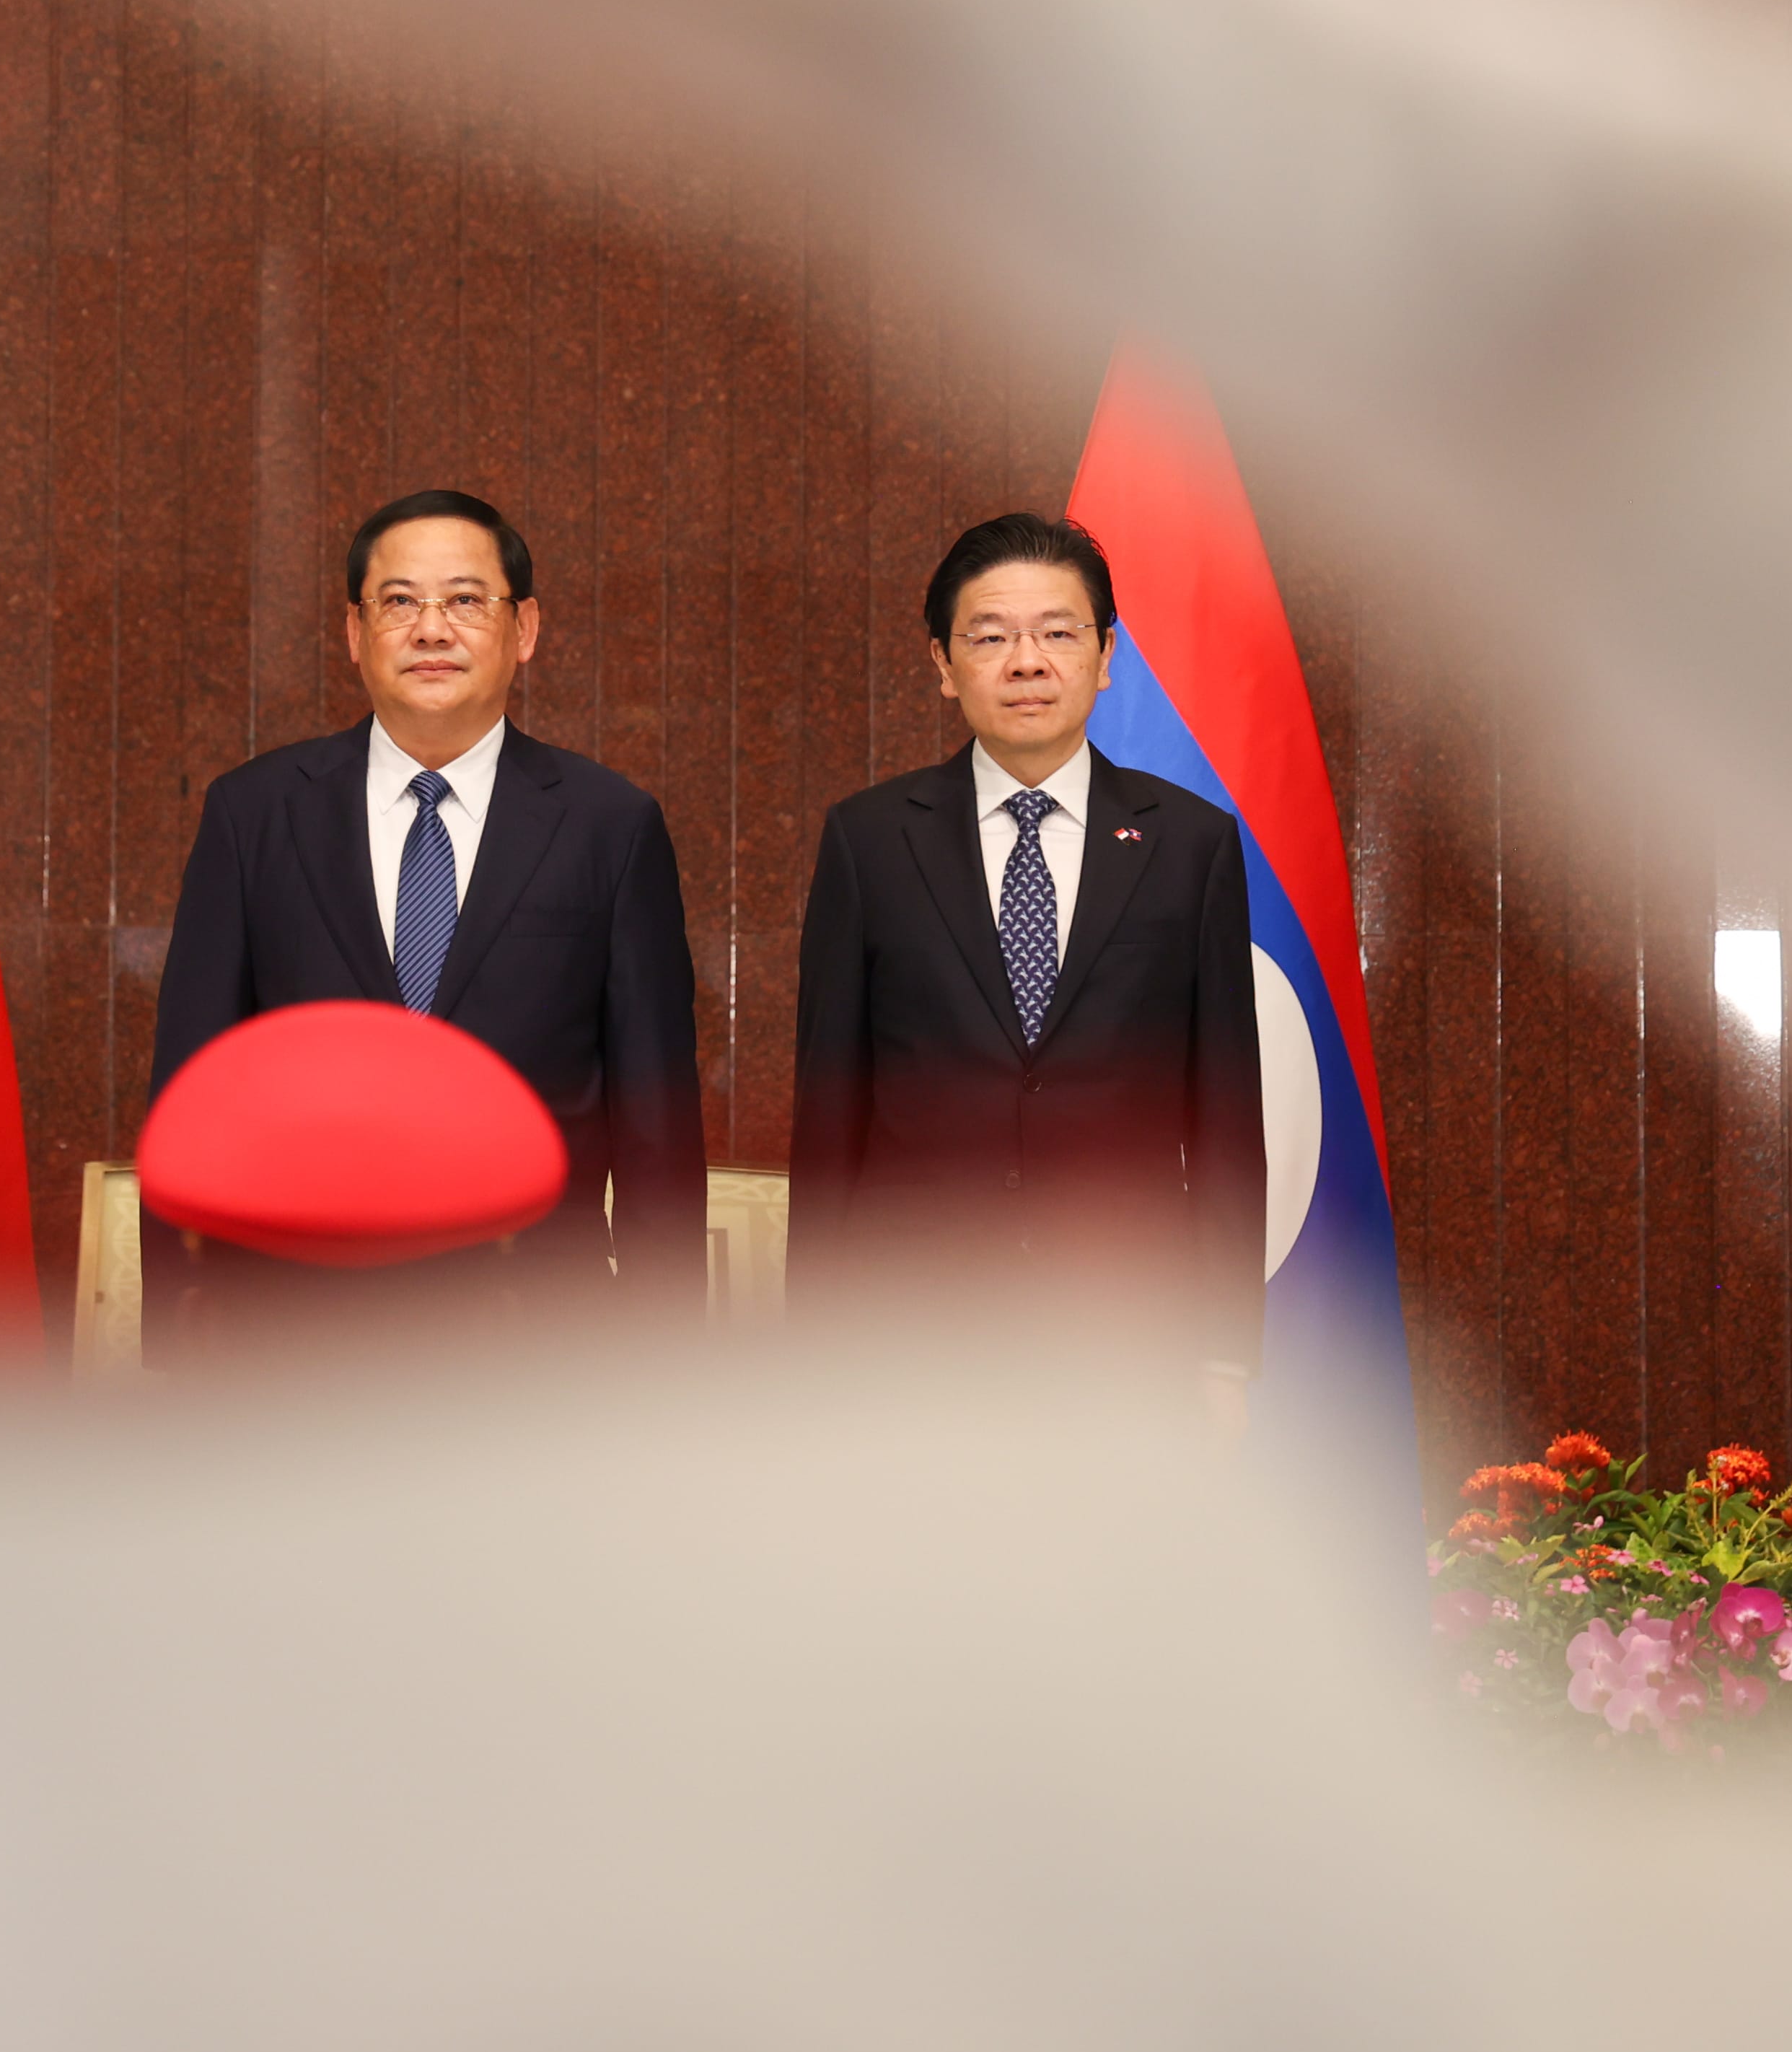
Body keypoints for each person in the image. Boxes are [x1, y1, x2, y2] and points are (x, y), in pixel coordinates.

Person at [146, 490, 708, 1341]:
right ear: (354, 633)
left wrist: (664, 1352)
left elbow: (655, 1117)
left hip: (536, 1332)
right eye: (399, 602)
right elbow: (191, 1091)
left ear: (524, 632)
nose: (432, 630)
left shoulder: (610, 823)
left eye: (466, 600)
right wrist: (177, 1333)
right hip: (291, 1330)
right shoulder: (254, 814)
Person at [787, 514, 1268, 1407]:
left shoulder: (1192, 844)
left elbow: (1228, 1119)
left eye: (1057, 632)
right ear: (942, 664)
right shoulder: (869, 839)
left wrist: (1226, 1358)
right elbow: (829, 1110)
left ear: (1105, 653)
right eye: (991, 636)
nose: (1027, 661)